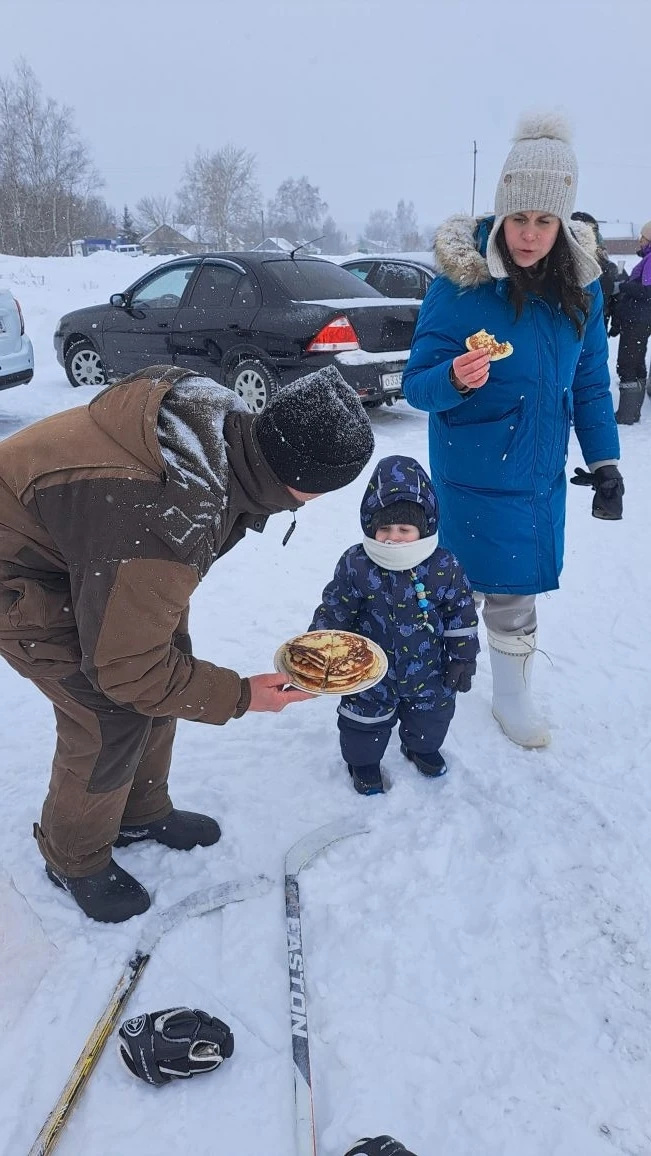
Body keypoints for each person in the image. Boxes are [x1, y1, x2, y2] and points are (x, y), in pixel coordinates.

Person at [0, 363, 374, 922]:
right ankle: (73, 858)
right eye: (321, 491)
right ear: (303, 480)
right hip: (19, 573)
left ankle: (140, 812)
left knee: (165, 672)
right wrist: (242, 696)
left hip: (84, 551)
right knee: (110, 711)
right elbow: (129, 671)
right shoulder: (169, 513)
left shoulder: (220, 422)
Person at [402, 114, 623, 750]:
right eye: (519, 218)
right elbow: (417, 385)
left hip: (539, 470)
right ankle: (424, 685)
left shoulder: (581, 289)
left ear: (563, 222)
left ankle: (512, 696)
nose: (529, 234)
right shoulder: (461, 286)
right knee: (453, 590)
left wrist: (605, 462)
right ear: (500, 214)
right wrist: (454, 377)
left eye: (544, 220)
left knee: (517, 590)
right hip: (472, 468)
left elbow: (589, 383)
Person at [309, 455, 478, 796]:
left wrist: (463, 656)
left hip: (429, 669)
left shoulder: (442, 564)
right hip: (369, 669)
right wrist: (321, 646)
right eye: (384, 529)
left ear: (423, 528)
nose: (393, 538)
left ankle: (420, 748)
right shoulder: (357, 563)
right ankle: (363, 763)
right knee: (363, 721)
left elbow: (460, 612)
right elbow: (336, 607)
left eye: (404, 529)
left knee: (431, 716)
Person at [609, 220, 651, 425]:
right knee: (636, 362)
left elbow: (647, 291)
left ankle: (627, 414)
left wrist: (624, 286)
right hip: (638, 318)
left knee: (629, 363)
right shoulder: (647, 259)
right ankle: (631, 411)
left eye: (643, 237)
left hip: (638, 319)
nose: (640, 240)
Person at [570, 210, 622, 325]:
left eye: (591, 230)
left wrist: (616, 321)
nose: (586, 235)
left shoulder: (607, 267)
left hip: (598, 322)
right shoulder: (553, 264)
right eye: (579, 230)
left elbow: (615, 298)